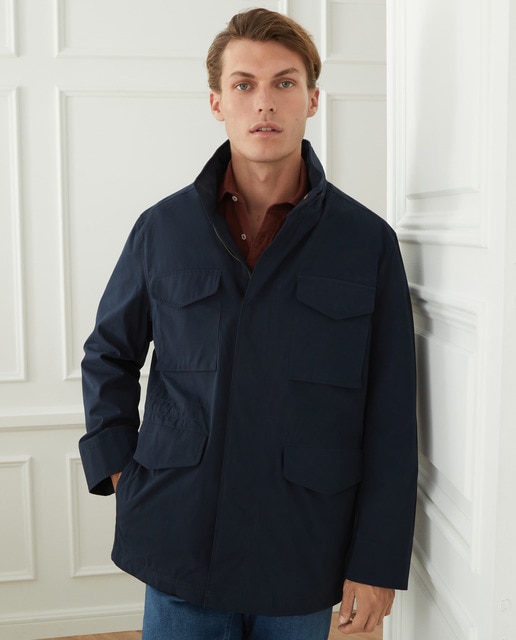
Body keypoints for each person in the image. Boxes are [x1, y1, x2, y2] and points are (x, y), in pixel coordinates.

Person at [79, 7, 418, 639]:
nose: (265, 102)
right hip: (179, 535)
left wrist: (376, 560)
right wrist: (120, 470)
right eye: (244, 84)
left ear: (312, 98)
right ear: (217, 102)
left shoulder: (366, 243)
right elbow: (108, 355)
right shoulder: (162, 229)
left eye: (284, 82)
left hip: (303, 545)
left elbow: (392, 410)